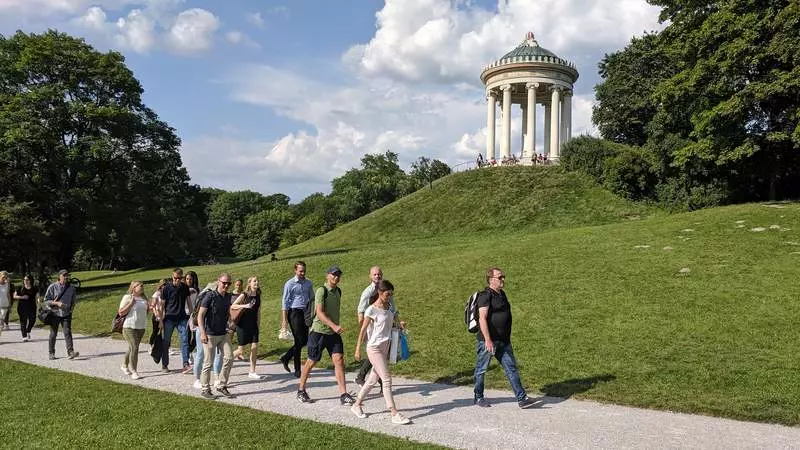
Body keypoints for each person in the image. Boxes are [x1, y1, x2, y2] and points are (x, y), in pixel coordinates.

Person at [473, 267, 535, 408]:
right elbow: (482, 318)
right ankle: (478, 397)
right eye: (500, 277)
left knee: (511, 368)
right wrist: (488, 340)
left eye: (503, 277)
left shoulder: (502, 294)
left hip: (503, 341)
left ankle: (522, 398)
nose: (503, 279)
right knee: (481, 370)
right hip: (488, 342)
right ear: (491, 280)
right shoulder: (485, 295)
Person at [351, 280, 410, 424]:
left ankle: (356, 404)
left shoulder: (389, 307)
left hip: (385, 347)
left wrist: (399, 324)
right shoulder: (371, 310)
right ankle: (394, 413)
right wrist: (358, 348)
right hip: (374, 348)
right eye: (387, 294)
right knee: (386, 378)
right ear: (380, 292)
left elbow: (392, 323)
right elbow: (363, 330)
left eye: (391, 294)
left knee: (372, 379)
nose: (389, 296)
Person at [296, 265, 355, 405]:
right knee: (311, 361)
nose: (336, 277)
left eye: (338, 275)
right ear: (327, 275)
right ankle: (301, 390)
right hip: (319, 332)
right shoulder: (321, 291)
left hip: (332, 333)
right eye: (334, 274)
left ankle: (343, 394)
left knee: (339, 360)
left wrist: (334, 327)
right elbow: (320, 313)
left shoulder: (338, 291)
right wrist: (334, 325)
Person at [355, 266, 398, 387]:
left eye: (379, 274)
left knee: (378, 352)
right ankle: (376, 380)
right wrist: (362, 328)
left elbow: (392, 306)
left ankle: (367, 377)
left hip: (383, 324)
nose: (377, 276)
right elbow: (361, 310)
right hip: (372, 325)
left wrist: (396, 320)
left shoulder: (385, 289)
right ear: (370, 276)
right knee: (375, 351)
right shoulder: (368, 292)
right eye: (374, 274)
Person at [196, 272, 236, 399]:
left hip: (223, 333)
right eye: (224, 283)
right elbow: (200, 315)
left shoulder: (227, 297)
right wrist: (202, 332)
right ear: (218, 281)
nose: (226, 285)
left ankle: (222, 385)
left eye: (228, 283)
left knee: (229, 358)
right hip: (210, 334)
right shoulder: (210, 296)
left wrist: (230, 324)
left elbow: (228, 312)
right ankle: (205, 389)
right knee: (208, 362)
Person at [279, 261, 314, 378]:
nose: (302, 273)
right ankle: (297, 369)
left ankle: (286, 357)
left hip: (305, 312)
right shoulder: (289, 284)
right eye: (300, 271)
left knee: (304, 341)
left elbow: (312, 298)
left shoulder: (308, 283)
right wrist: (284, 321)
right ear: (295, 270)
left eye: (304, 271)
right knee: (298, 341)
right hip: (294, 312)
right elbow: (284, 303)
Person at [191, 282, 223, 389]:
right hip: (203, 329)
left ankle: (217, 378)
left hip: (216, 330)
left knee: (217, 354)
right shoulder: (208, 297)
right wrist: (202, 331)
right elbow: (199, 315)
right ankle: (197, 379)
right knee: (201, 353)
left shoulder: (221, 297)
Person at [43, 269, 79, 360]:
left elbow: (73, 300)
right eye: (64, 275)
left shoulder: (71, 288)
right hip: (54, 314)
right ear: (59, 276)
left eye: (68, 275)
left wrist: (71, 310)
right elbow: (46, 301)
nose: (66, 277)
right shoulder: (53, 287)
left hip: (66, 314)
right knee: (53, 334)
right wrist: (57, 303)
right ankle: (51, 353)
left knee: (67, 333)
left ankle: (70, 352)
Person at [161, 268, 191, 373]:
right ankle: (164, 364)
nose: (177, 280)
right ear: (172, 277)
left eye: (179, 278)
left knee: (184, 340)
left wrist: (192, 315)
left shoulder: (185, 287)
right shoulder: (166, 288)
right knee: (166, 341)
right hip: (169, 318)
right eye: (175, 278)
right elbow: (162, 304)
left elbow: (188, 301)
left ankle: (185, 363)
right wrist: (161, 319)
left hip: (182, 317)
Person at [118, 281, 151, 380]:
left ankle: (124, 365)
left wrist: (150, 306)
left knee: (132, 347)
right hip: (129, 326)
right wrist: (131, 304)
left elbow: (146, 312)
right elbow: (120, 312)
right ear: (133, 288)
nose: (141, 287)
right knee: (135, 347)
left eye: (142, 286)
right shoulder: (127, 297)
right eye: (139, 285)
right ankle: (134, 371)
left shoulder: (144, 299)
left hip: (141, 327)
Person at [232, 276, 263, 379]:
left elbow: (258, 311)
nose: (256, 282)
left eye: (257, 281)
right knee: (240, 351)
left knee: (254, 348)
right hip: (242, 325)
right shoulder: (244, 295)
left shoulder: (258, 295)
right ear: (249, 283)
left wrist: (258, 325)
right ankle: (226, 360)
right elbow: (233, 306)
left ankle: (252, 371)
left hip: (253, 325)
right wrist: (244, 306)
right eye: (254, 281)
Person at [14, 274, 38, 341]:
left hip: (32, 307)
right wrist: (22, 297)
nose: (25, 281)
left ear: (30, 280)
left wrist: (39, 300)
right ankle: (24, 336)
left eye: (27, 280)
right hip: (22, 307)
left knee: (32, 320)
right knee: (23, 321)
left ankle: (28, 330)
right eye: (24, 279)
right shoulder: (20, 287)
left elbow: (37, 295)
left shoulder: (34, 288)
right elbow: (14, 296)